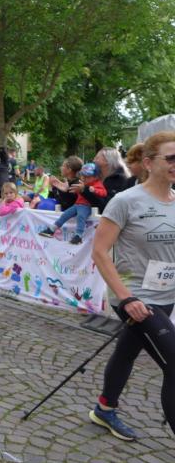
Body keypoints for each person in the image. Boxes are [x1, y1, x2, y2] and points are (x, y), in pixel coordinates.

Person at [88, 130, 175, 441]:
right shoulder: (125, 201)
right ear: (149, 163)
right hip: (134, 297)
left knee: (127, 350)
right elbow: (99, 252)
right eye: (171, 158)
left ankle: (104, 408)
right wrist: (126, 299)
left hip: (165, 295)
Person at [38, 162, 106, 245]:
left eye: (87, 177)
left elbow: (104, 193)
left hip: (85, 206)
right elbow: (74, 194)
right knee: (65, 215)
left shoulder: (97, 184)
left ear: (96, 177)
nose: (84, 178)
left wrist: (94, 190)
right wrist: (67, 189)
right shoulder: (82, 182)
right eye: (83, 176)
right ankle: (52, 229)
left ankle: (78, 235)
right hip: (77, 204)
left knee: (81, 217)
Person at [87, 147, 130, 212]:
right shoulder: (96, 177)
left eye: (97, 158)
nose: (94, 160)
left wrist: (85, 190)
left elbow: (107, 205)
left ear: (107, 160)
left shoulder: (119, 179)